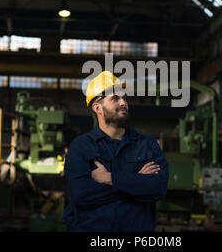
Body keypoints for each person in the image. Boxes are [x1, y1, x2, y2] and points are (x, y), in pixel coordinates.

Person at [64, 71, 169, 232]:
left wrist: (109, 178)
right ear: (97, 107)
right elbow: (81, 194)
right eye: (115, 98)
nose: (123, 103)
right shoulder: (81, 147)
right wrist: (136, 182)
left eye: (124, 98)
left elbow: (158, 188)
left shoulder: (147, 145)